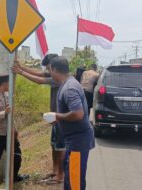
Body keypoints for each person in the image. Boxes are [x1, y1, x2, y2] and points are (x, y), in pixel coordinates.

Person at [12, 54, 65, 183]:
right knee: (53, 145)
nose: (47, 71)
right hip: (54, 117)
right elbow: (39, 74)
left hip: (61, 118)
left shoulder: (58, 78)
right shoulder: (53, 74)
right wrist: (22, 68)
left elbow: (39, 80)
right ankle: (54, 170)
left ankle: (60, 175)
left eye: (48, 68)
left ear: (54, 67)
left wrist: (20, 72)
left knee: (60, 147)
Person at [43, 56, 95, 190]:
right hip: (74, 140)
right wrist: (58, 119)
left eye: (49, 70)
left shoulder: (69, 88)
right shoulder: (67, 83)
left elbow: (78, 114)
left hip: (78, 141)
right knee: (71, 178)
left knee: (74, 182)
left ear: (54, 69)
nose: (49, 73)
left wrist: (56, 116)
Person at [0, 74, 27, 190]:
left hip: (9, 134)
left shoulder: (7, 95)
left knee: (17, 156)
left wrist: (15, 129)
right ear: (4, 83)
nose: (10, 85)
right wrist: (4, 113)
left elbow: (11, 115)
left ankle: (14, 176)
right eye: (9, 82)